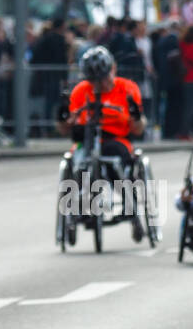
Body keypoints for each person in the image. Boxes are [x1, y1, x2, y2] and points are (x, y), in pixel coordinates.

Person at [58, 46, 148, 241]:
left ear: (112, 70)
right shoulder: (81, 91)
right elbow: (66, 126)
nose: (101, 84)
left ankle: (132, 212)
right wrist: (64, 118)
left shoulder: (127, 88)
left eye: (104, 78)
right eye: (95, 81)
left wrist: (135, 116)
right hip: (87, 139)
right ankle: (75, 213)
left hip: (116, 138)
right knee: (77, 167)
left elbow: (139, 128)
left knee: (119, 168)